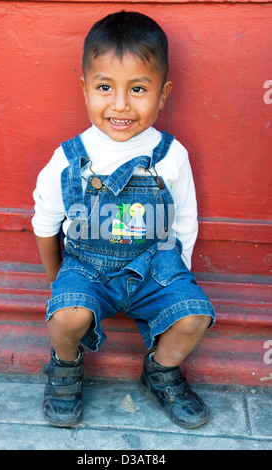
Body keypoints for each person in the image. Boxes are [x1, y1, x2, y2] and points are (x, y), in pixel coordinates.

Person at [32, 10, 216, 430]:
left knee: (194, 316)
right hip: (87, 268)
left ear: (163, 93)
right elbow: (45, 222)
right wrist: (55, 278)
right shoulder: (68, 159)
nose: (120, 105)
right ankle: (65, 367)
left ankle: (160, 372)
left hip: (154, 265)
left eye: (137, 89)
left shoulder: (171, 155)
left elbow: (184, 220)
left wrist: (177, 274)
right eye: (104, 87)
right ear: (84, 89)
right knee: (65, 314)